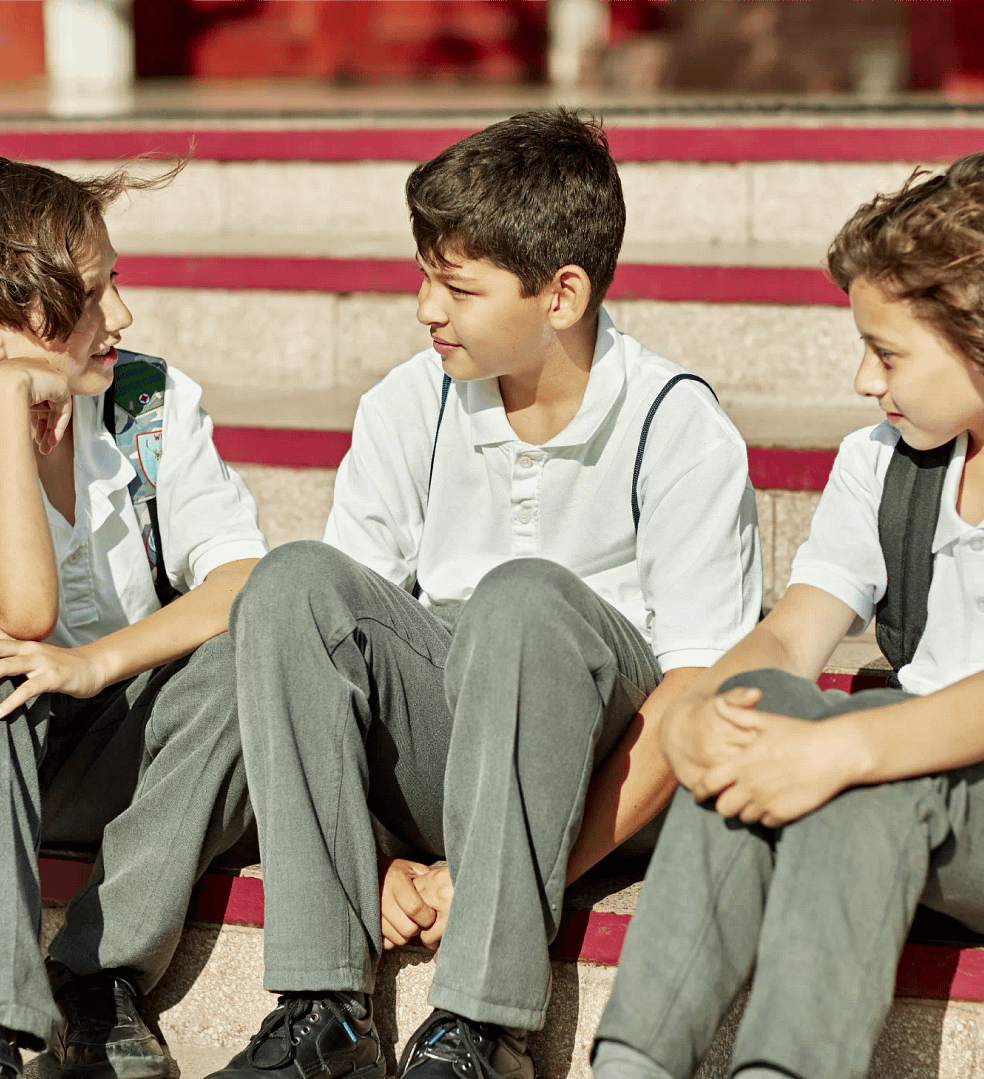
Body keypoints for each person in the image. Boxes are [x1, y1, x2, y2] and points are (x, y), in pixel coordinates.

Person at [212, 108, 762, 1079]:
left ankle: (481, 1024)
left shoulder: (676, 425)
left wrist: (510, 874)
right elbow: (332, 662)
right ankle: (323, 1011)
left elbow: (694, 700)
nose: (427, 306)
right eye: (426, 274)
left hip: (596, 761)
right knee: (293, 580)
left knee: (520, 598)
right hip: (446, 745)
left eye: (457, 286)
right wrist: (367, 860)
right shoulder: (403, 404)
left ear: (562, 292)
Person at [592, 150, 984, 1079]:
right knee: (759, 718)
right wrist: (713, 701)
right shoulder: (885, 460)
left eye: (888, 351)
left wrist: (851, 744)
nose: (866, 379)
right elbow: (793, 630)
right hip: (898, 776)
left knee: (860, 759)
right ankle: (633, 1063)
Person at [0, 158, 268, 1079]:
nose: (119, 316)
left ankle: (92, 969)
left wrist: (99, 663)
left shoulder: (150, 400)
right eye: (88, 295)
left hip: (158, 755)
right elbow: (21, 611)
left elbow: (246, 580)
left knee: (257, 650)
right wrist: (3, 401)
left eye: (114, 280)